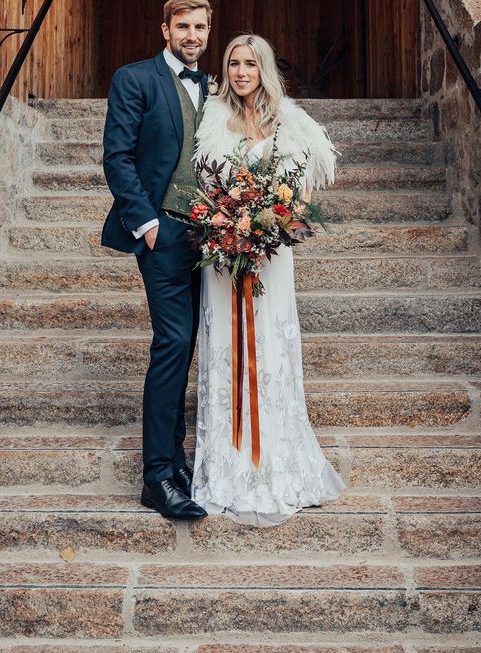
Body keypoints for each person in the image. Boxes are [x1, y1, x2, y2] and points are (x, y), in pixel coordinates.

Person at [192, 34, 346, 526]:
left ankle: (275, 461)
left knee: (270, 349)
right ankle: (230, 464)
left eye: (250, 64)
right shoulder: (212, 120)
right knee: (227, 350)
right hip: (224, 253)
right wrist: (227, 220)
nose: (241, 72)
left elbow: (304, 179)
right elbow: (203, 182)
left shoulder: (288, 120)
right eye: (234, 63)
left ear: (264, 69)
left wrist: (276, 216)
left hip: (271, 255)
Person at [101, 0, 213, 520]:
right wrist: (146, 224)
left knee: (187, 343)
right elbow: (117, 155)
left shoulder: (212, 87)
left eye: (200, 27)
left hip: (211, 237)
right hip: (162, 232)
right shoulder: (135, 79)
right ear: (165, 29)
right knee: (172, 343)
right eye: (183, 27)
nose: (191, 36)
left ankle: (178, 459)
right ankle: (157, 477)